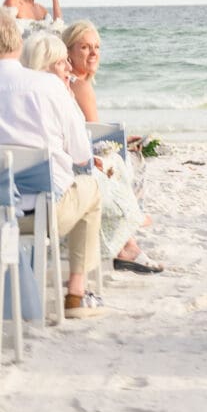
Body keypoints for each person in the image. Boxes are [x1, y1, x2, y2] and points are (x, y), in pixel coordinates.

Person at [20, 31, 160, 276]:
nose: (68, 67)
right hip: (51, 203)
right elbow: (81, 155)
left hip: (13, 204)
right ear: (47, 66)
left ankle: (129, 234)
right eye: (62, 62)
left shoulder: (15, 98)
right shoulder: (59, 95)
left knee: (106, 170)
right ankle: (79, 286)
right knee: (97, 183)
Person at [0, 13, 105, 318]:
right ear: (18, 43)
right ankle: (76, 293)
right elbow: (82, 154)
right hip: (42, 213)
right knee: (93, 188)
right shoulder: (47, 86)